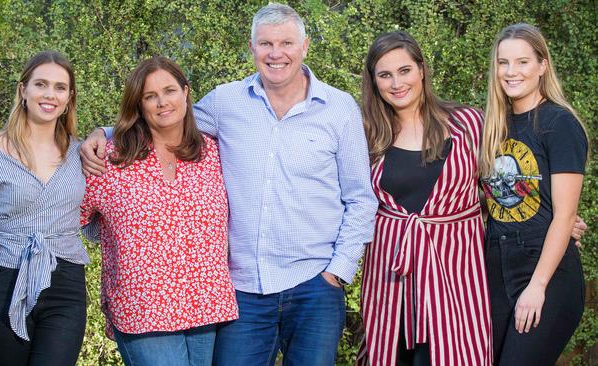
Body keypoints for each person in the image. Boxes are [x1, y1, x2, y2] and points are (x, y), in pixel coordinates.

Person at [80, 3, 377, 365]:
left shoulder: (339, 108)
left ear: (305, 46)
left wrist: (338, 271)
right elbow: (167, 120)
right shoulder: (226, 102)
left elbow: (361, 199)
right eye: (266, 43)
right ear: (252, 49)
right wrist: (106, 134)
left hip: (315, 283)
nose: (276, 53)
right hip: (243, 291)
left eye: (286, 42)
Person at [79, 56, 238, 366]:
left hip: (208, 306)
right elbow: (63, 217)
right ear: (139, 105)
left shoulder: (213, 152)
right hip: (143, 311)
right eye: (150, 96)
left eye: (169, 91)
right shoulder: (110, 158)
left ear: (186, 92)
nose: (162, 102)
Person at [356, 31, 493, 366]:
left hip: (457, 273)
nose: (396, 83)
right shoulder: (366, 135)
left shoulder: (468, 124)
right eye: (385, 75)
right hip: (390, 277)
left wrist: (553, 220)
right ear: (374, 83)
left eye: (404, 70)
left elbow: (504, 186)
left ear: (421, 70)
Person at [0, 51, 88, 365]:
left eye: (60, 87)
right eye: (41, 84)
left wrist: (102, 134)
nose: (50, 94)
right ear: (23, 90)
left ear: (69, 97)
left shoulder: (82, 153)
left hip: (65, 284)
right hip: (4, 280)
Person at [479, 23, 588, 365]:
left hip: (546, 270)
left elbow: (565, 214)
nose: (511, 72)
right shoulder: (492, 126)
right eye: (503, 63)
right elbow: (489, 199)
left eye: (523, 62)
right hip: (495, 264)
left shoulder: (559, 124)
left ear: (542, 66)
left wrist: (538, 286)